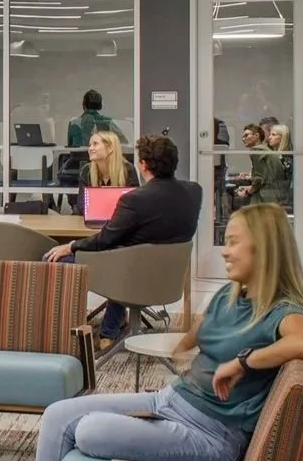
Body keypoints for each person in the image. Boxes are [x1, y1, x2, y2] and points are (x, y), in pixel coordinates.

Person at [0, 202, 303, 461]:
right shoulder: (230, 295)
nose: (225, 250)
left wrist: (244, 362)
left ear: (264, 248)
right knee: (57, 415)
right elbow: (195, 338)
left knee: (88, 431)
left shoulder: (283, 310)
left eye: (234, 242)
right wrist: (176, 346)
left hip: (212, 434)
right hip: (171, 400)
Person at [44, 133, 204, 339]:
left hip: (129, 274)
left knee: (52, 259)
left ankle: (61, 333)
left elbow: (105, 240)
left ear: (143, 165)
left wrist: (71, 246)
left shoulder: (134, 199)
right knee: (121, 255)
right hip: (169, 278)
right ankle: (108, 331)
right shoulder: (194, 191)